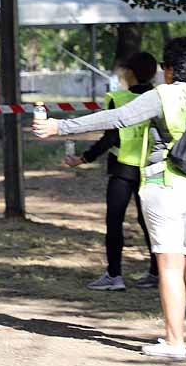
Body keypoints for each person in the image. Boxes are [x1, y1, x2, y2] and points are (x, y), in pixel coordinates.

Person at [33, 38, 186, 361]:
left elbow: (115, 119)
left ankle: (175, 342)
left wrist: (59, 127)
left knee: (170, 265)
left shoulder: (163, 95)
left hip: (165, 186)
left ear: (169, 69)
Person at [65, 52, 159, 291]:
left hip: (123, 168)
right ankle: (157, 271)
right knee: (148, 221)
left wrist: (85, 158)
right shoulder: (159, 97)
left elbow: (111, 135)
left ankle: (114, 275)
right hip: (151, 168)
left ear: (131, 73)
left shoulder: (119, 98)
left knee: (114, 221)